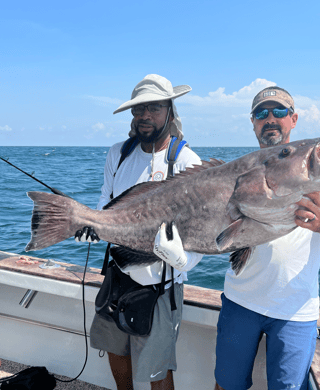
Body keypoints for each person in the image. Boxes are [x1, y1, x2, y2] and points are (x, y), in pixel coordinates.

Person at [214, 86, 320, 390]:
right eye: (261, 113)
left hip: (295, 311)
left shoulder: (317, 174)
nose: (270, 119)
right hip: (240, 301)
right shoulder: (235, 172)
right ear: (252, 122)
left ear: (293, 119)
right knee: (227, 384)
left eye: (279, 111)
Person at [76, 74, 203, 390]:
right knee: (115, 349)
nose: (145, 116)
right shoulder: (118, 153)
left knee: (156, 370)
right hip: (117, 274)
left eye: (154, 108)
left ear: (169, 111)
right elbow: (106, 202)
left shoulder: (187, 162)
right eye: (139, 109)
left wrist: (183, 259)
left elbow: (201, 233)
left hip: (159, 285)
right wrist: (91, 224)